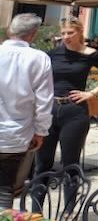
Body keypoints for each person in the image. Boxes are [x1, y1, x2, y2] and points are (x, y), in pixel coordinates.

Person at [35, 19, 98, 179]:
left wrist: (91, 93)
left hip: (75, 111)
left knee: (70, 166)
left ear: (80, 31)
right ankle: (34, 204)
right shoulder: (52, 54)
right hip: (50, 109)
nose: (66, 37)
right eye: (63, 33)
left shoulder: (90, 54)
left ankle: (69, 204)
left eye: (70, 33)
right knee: (42, 165)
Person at [0, 14, 53, 210]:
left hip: (15, 132)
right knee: (5, 188)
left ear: (9, 30)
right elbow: (44, 101)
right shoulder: (39, 59)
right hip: (17, 134)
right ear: (32, 35)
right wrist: (41, 132)